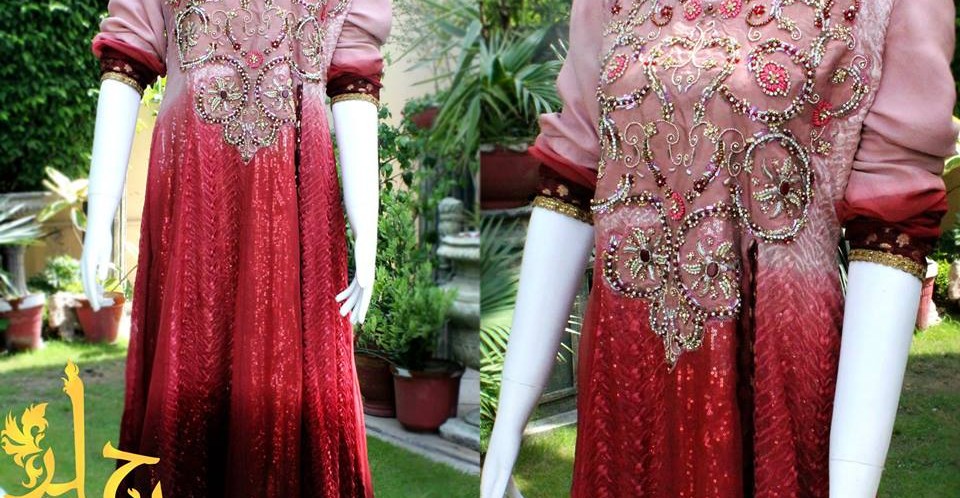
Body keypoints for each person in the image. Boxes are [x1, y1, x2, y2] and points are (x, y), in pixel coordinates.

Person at [482, 0, 958, 497]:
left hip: (773, 361)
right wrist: (508, 425)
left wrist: (852, 481)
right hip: (628, 368)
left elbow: (892, 223)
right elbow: (574, 171)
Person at [82, 0, 390, 496]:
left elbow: (354, 84)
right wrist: (99, 215)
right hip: (194, 203)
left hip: (295, 210)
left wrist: (366, 233)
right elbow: (126, 63)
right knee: (190, 373)